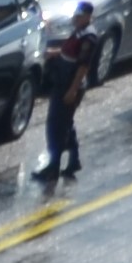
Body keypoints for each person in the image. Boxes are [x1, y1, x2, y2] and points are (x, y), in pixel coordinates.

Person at [33, 11, 96, 183]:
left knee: (55, 126)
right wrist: (56, 53)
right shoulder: (79, 32)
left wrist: (73, 90)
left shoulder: (88, 38)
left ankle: (53, 167)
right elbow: (70, 51)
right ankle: (73, 160)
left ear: (88, 16)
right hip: (62, 81)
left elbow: (83, 66)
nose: (76, 17)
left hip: (69, 85)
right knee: (65, 123)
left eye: (80, 15)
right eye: (76, 14)